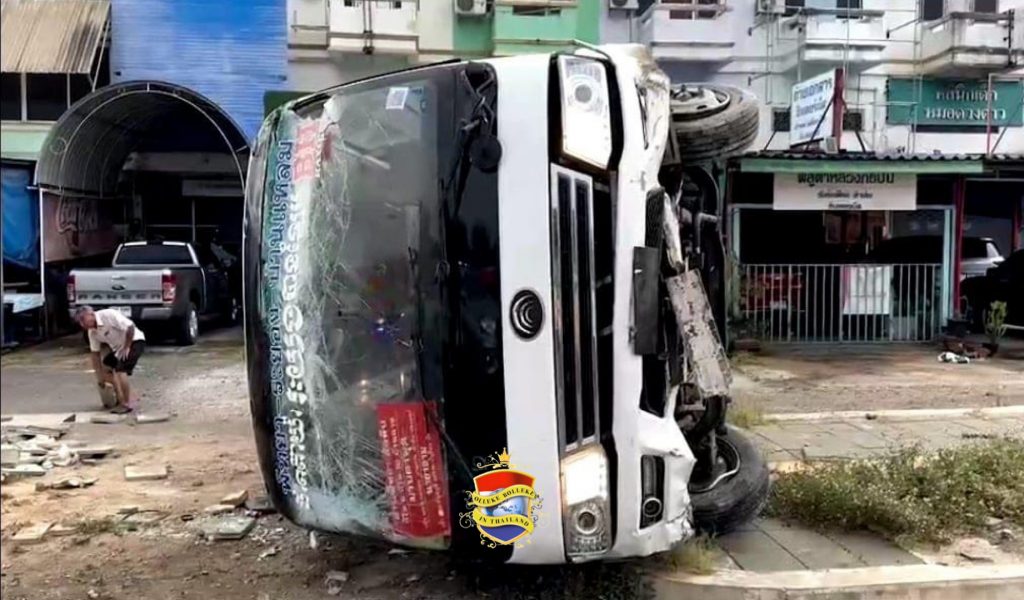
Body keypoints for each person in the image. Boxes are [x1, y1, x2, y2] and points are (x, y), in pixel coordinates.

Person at [75, 306, 146, 413]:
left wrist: (127, 347)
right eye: (80, 322)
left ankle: (126, 404)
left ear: (91, 314)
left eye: (83, 319)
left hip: (133, 341)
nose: (82, 324)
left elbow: (130, 327)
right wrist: (100, 378)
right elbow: (95, 354)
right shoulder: (92, 333)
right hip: (118, 348)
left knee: (120, 370)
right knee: (106, 367)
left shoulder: (108, 314)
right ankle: (124, 396)